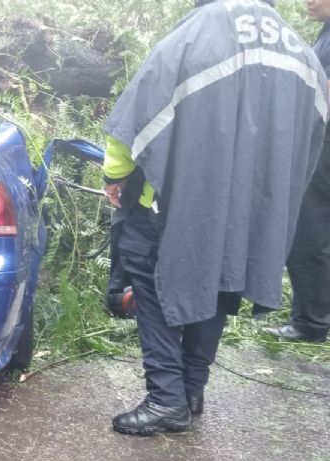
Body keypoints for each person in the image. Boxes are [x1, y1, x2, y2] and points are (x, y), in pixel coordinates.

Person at [102, 0, 328, 435]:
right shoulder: (298, 48)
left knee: (149, 274)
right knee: (220, 282)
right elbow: (315, 131)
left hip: (177, 199)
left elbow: (143, 109)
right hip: (252, 207)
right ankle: (190, 389)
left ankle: (167, 398)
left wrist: (116, 174)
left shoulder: (197, 32)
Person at [264, 0, 330, 342]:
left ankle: (311, 322)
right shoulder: (325, 33)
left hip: (322, 150)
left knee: (309, 232)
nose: (310, 1)